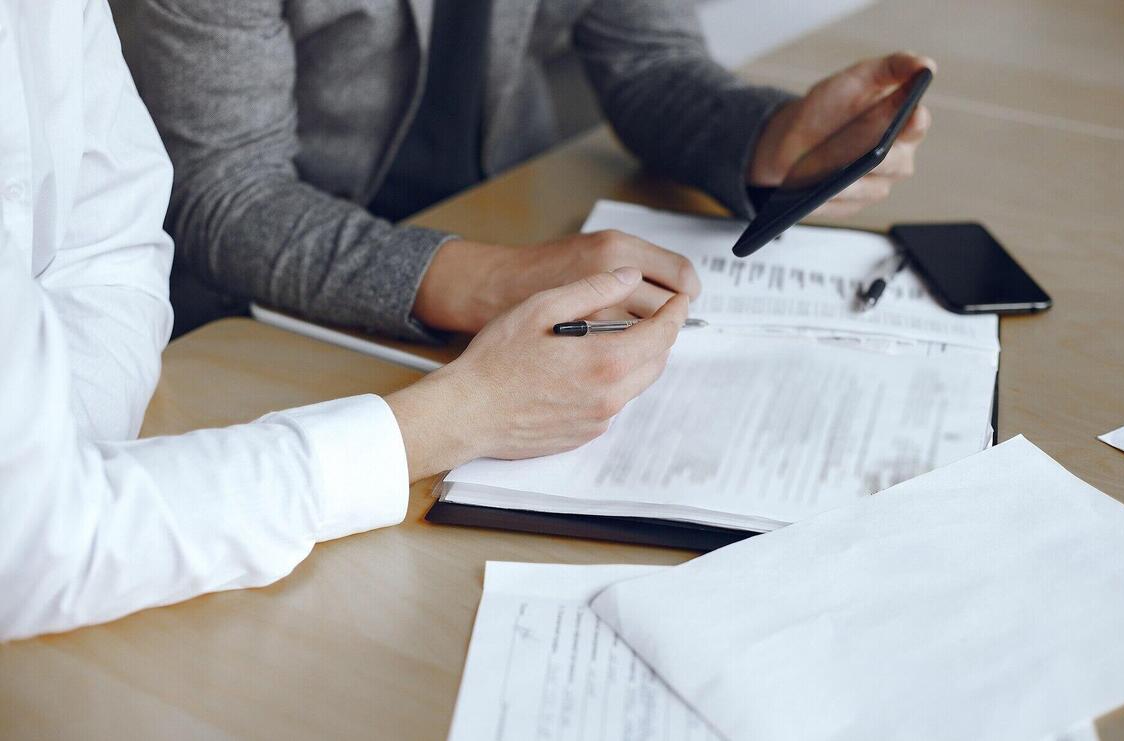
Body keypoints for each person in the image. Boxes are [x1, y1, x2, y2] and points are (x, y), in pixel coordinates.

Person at [0, 0, 685, 642]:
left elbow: (108, 241)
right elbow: (39, 536)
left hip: (143, 459)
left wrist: (62, 447)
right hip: (261, 330)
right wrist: (458, 413)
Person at [116, 0, 933, 337]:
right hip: (258, 315)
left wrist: (769, 139)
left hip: (509, 219)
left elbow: (645, 57)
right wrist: (492, 283)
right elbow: (227, 191)